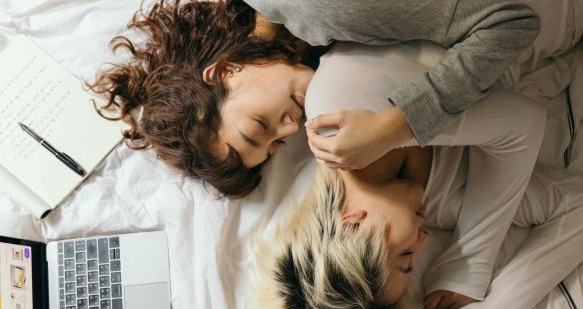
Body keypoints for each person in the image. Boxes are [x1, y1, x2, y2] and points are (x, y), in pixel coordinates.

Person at [251, 41, 583, 309]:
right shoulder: (442, 203)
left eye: (405, 257)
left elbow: (521, 123)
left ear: (352, 226)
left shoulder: (333, 113)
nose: (425, 241)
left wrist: (473, 256)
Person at [90, 0, 546, 194]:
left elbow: (512, 22)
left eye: (258, 126)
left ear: (224, 71)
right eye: (276, 143)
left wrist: (398, 125)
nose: (293, 126)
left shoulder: (320, 10)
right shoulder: (303, 35)